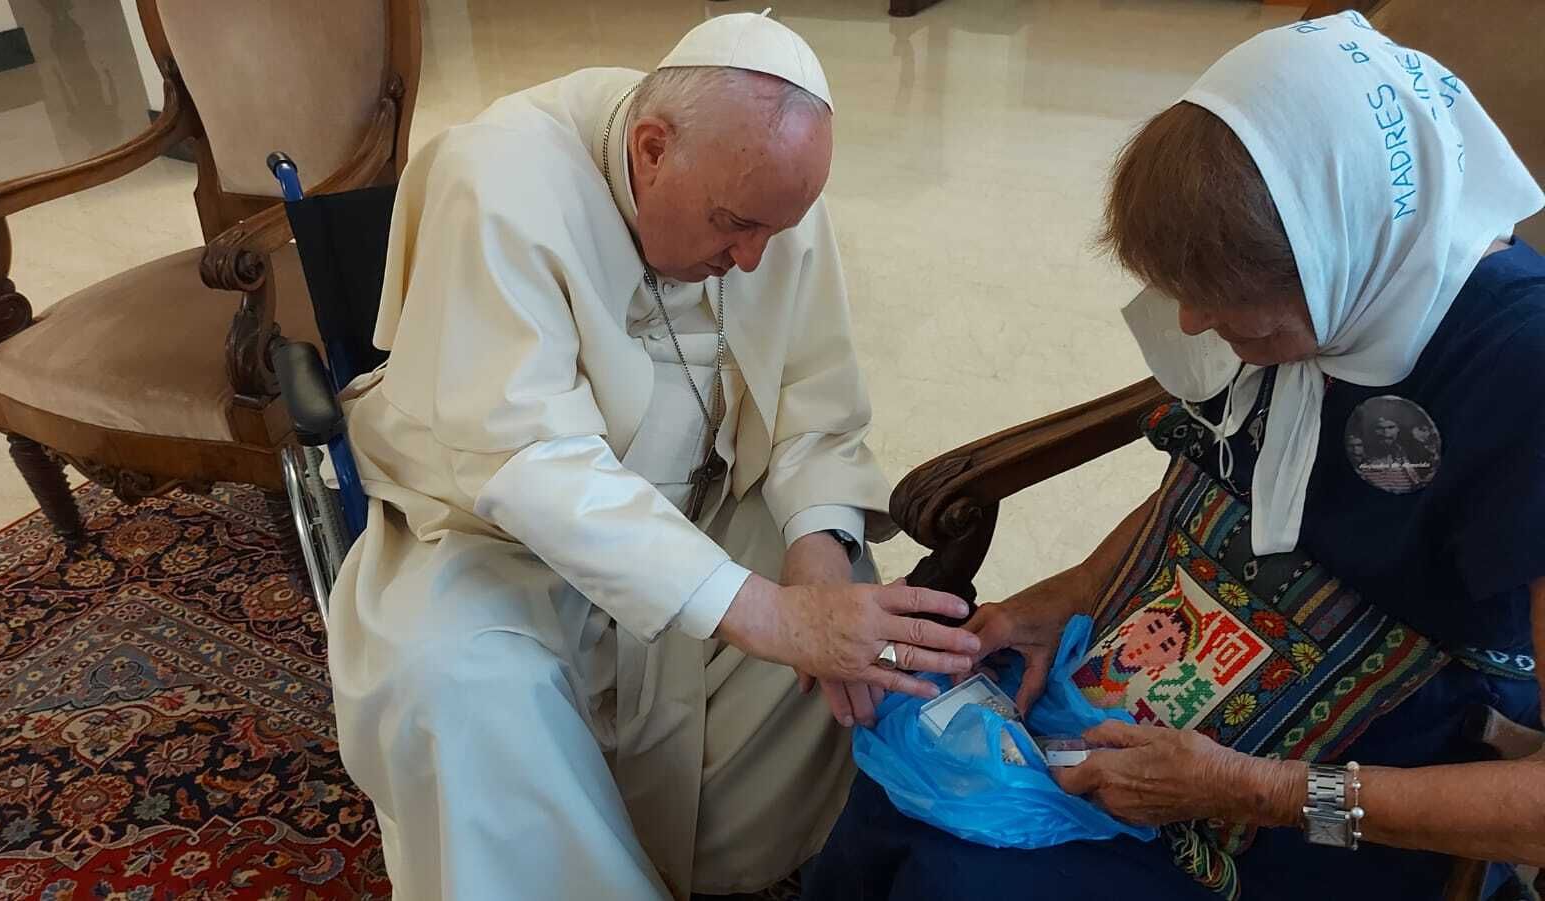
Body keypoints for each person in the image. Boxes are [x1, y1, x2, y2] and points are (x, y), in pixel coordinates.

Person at [806, 13, 1545, 901]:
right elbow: (1212, 475)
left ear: (1333, 253)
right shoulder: (1334, 287)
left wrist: (1251, 789)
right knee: (910, 776)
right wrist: (1072, 592)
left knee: (969, 878)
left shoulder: (1519, 376)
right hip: (1190, 654)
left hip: (1364, 774)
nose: (1193, 327)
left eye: (1225, 307)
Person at [324, 13, 981, 900]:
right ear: (651, 149)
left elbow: (814, 407)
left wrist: (816, 565)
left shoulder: (766, 198)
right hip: (499, 542)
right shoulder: (501, 180)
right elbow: (531, 462)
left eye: (771, 235)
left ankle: (717, 856)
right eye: (732, 227)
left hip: (704, 506)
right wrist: (764, 614)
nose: (752, 261)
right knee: (453, 680)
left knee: (856, 621)